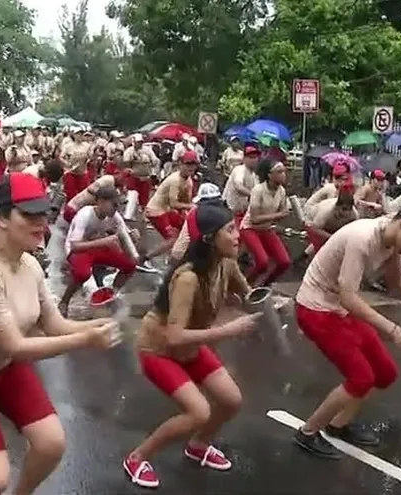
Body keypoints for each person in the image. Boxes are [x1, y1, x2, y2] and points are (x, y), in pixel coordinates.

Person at [0, 172, 121, 495]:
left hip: (3, 367)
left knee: (51, 444)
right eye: (29, 215)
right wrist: (87, 339)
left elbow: (55, 326)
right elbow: (16, 346)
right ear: (1, 218)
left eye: (44, 214)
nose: (41, 223)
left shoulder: (29, 265)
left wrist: (97, 324)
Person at [293, 195, 401, 459]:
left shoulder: (393, 241)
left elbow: (397, 280)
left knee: (385, 373)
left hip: (339, 307)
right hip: (315, 308)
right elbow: (349, 297)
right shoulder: (362, 238)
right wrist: (394, 331)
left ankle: (338, 425)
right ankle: (307, 432)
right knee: (361, 377)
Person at [123, 204, 258, 489]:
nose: (238, 235)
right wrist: (229, 330)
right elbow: (174, 337)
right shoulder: (187, 277)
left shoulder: (226, 263)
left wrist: (272, 304)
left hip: (190, 347)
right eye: (230, 230)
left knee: (231, 400)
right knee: (198, 412)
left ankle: (198, 445)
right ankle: (137, 458)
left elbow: (249, 295)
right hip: (158, 349)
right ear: (209, 238)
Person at [57, 186, 138, 315]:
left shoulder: (114, 216)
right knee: (82, 274)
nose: (116, 208)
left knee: (130, 264)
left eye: (118, 205)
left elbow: (126, 240)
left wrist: (133, 237)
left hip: (98, 248)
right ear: (100, 202)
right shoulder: (85, 215)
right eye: (113, 204)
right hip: (80, 249)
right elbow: (75, 246)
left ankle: (112, 292)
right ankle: (64, 302)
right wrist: (104, 241)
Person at [239, 158, 291, 286]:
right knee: (262, 262)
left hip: (266, 228)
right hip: (250, 228)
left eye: (284, 171)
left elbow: (281, 214)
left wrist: (285, 212)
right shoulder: (258, 190)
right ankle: (246, 285)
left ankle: (265, 285)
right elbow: (254, 219)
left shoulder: (281, 191)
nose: (283, 174)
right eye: (279, 172)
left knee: (284, 262)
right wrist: (279, 214)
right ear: (269, 175)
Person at [141, 151, 196, 262]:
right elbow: (175, 204)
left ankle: (175, 256)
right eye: (188, 164)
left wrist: (188, 213)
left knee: (186, 229)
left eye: (193, 164)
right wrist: (192, 206)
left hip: (166, 210)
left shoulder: (189, 181)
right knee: (173, 239)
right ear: (180, 164)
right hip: (155, 211)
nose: (190, 167)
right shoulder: (175, 180)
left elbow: (185, 203)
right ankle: (145, 258)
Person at [170, 183, 225, 262]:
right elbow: (195, 238)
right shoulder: (197, 214)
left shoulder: (204, 212)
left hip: (192, 252)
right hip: (185, 254)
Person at [305, 180, 358, 254]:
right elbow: (314, 228)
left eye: (348, 210)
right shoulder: (326, 211)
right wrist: (331, 237)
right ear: (337, 206)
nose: (345, 213)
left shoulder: (354, 214)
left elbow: (354, 232)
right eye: (343, 209)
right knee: (322, 249)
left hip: (332, 227)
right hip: (313, 221)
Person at [221, 145, 259, 227]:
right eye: (251, 157)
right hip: (229, 209)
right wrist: (253, 195)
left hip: (242, 211)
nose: (254, 160)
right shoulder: (240, 170)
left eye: (255, 157)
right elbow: (238, 186)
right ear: (244, 159)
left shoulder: (254, 175)